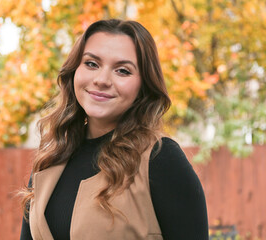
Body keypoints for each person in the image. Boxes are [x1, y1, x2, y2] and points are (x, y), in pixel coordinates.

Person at [19, 19, 208, 240]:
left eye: (122, 71)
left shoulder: (160, 159)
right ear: (74, 72)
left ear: (143, 86)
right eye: (91, 64)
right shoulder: (50, 159)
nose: (102, 80)